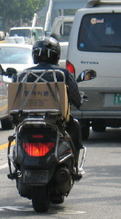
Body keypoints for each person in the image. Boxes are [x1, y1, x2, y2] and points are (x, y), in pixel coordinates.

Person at [17, 37, 83, 174]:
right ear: (56, 55)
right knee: (75, 125)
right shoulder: (62, 74)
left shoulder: (24, 74)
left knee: (17, 135)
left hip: (28, 118)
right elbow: (76, 99)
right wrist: (78, 102)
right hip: (57, 120)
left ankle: (17, 168)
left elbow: (15, 99)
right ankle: (75, 166)